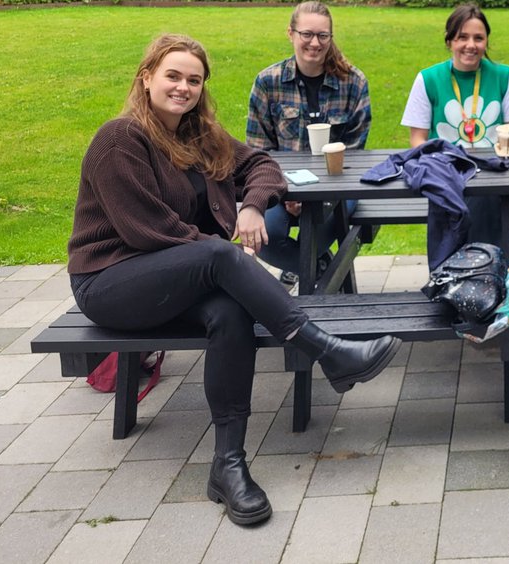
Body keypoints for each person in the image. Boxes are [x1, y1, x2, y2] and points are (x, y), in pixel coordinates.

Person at [68, 35, 400, 526]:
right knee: (223, 261)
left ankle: (228, 465)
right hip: (111, 280)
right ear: (147, 78)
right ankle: (326, 349)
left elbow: (263, 164)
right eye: (173, 76)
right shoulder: (120, 139)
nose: (184, 87)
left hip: (176, 274)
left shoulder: (198, 134)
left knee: (229, 312)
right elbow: (148, 231)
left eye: (194, 80)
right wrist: (222, 255)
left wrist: (249, 207)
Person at [246, 1, 371, 280]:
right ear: (291, 33)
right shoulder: (268, 82)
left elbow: (354, 151)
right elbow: (258, 152)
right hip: (280, 187)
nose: (315, 43)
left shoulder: (353, 83)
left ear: (330, 38)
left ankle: (309, 274)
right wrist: (289, 193)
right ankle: (321, 271)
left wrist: (316, 195)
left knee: (318, 225)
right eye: (307, 34)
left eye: (322, 36)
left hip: (338, 189)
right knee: (262, 236)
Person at [401, 3, 509, 247]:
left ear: (486, 42)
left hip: (495, 172)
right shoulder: (427, 79)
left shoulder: (505, 76)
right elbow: (417, 140)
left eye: (478, 38)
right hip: (447, 173)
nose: (471, 45)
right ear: (449, 40)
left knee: (491, 204)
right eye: (462, 37)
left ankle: (493, 266)